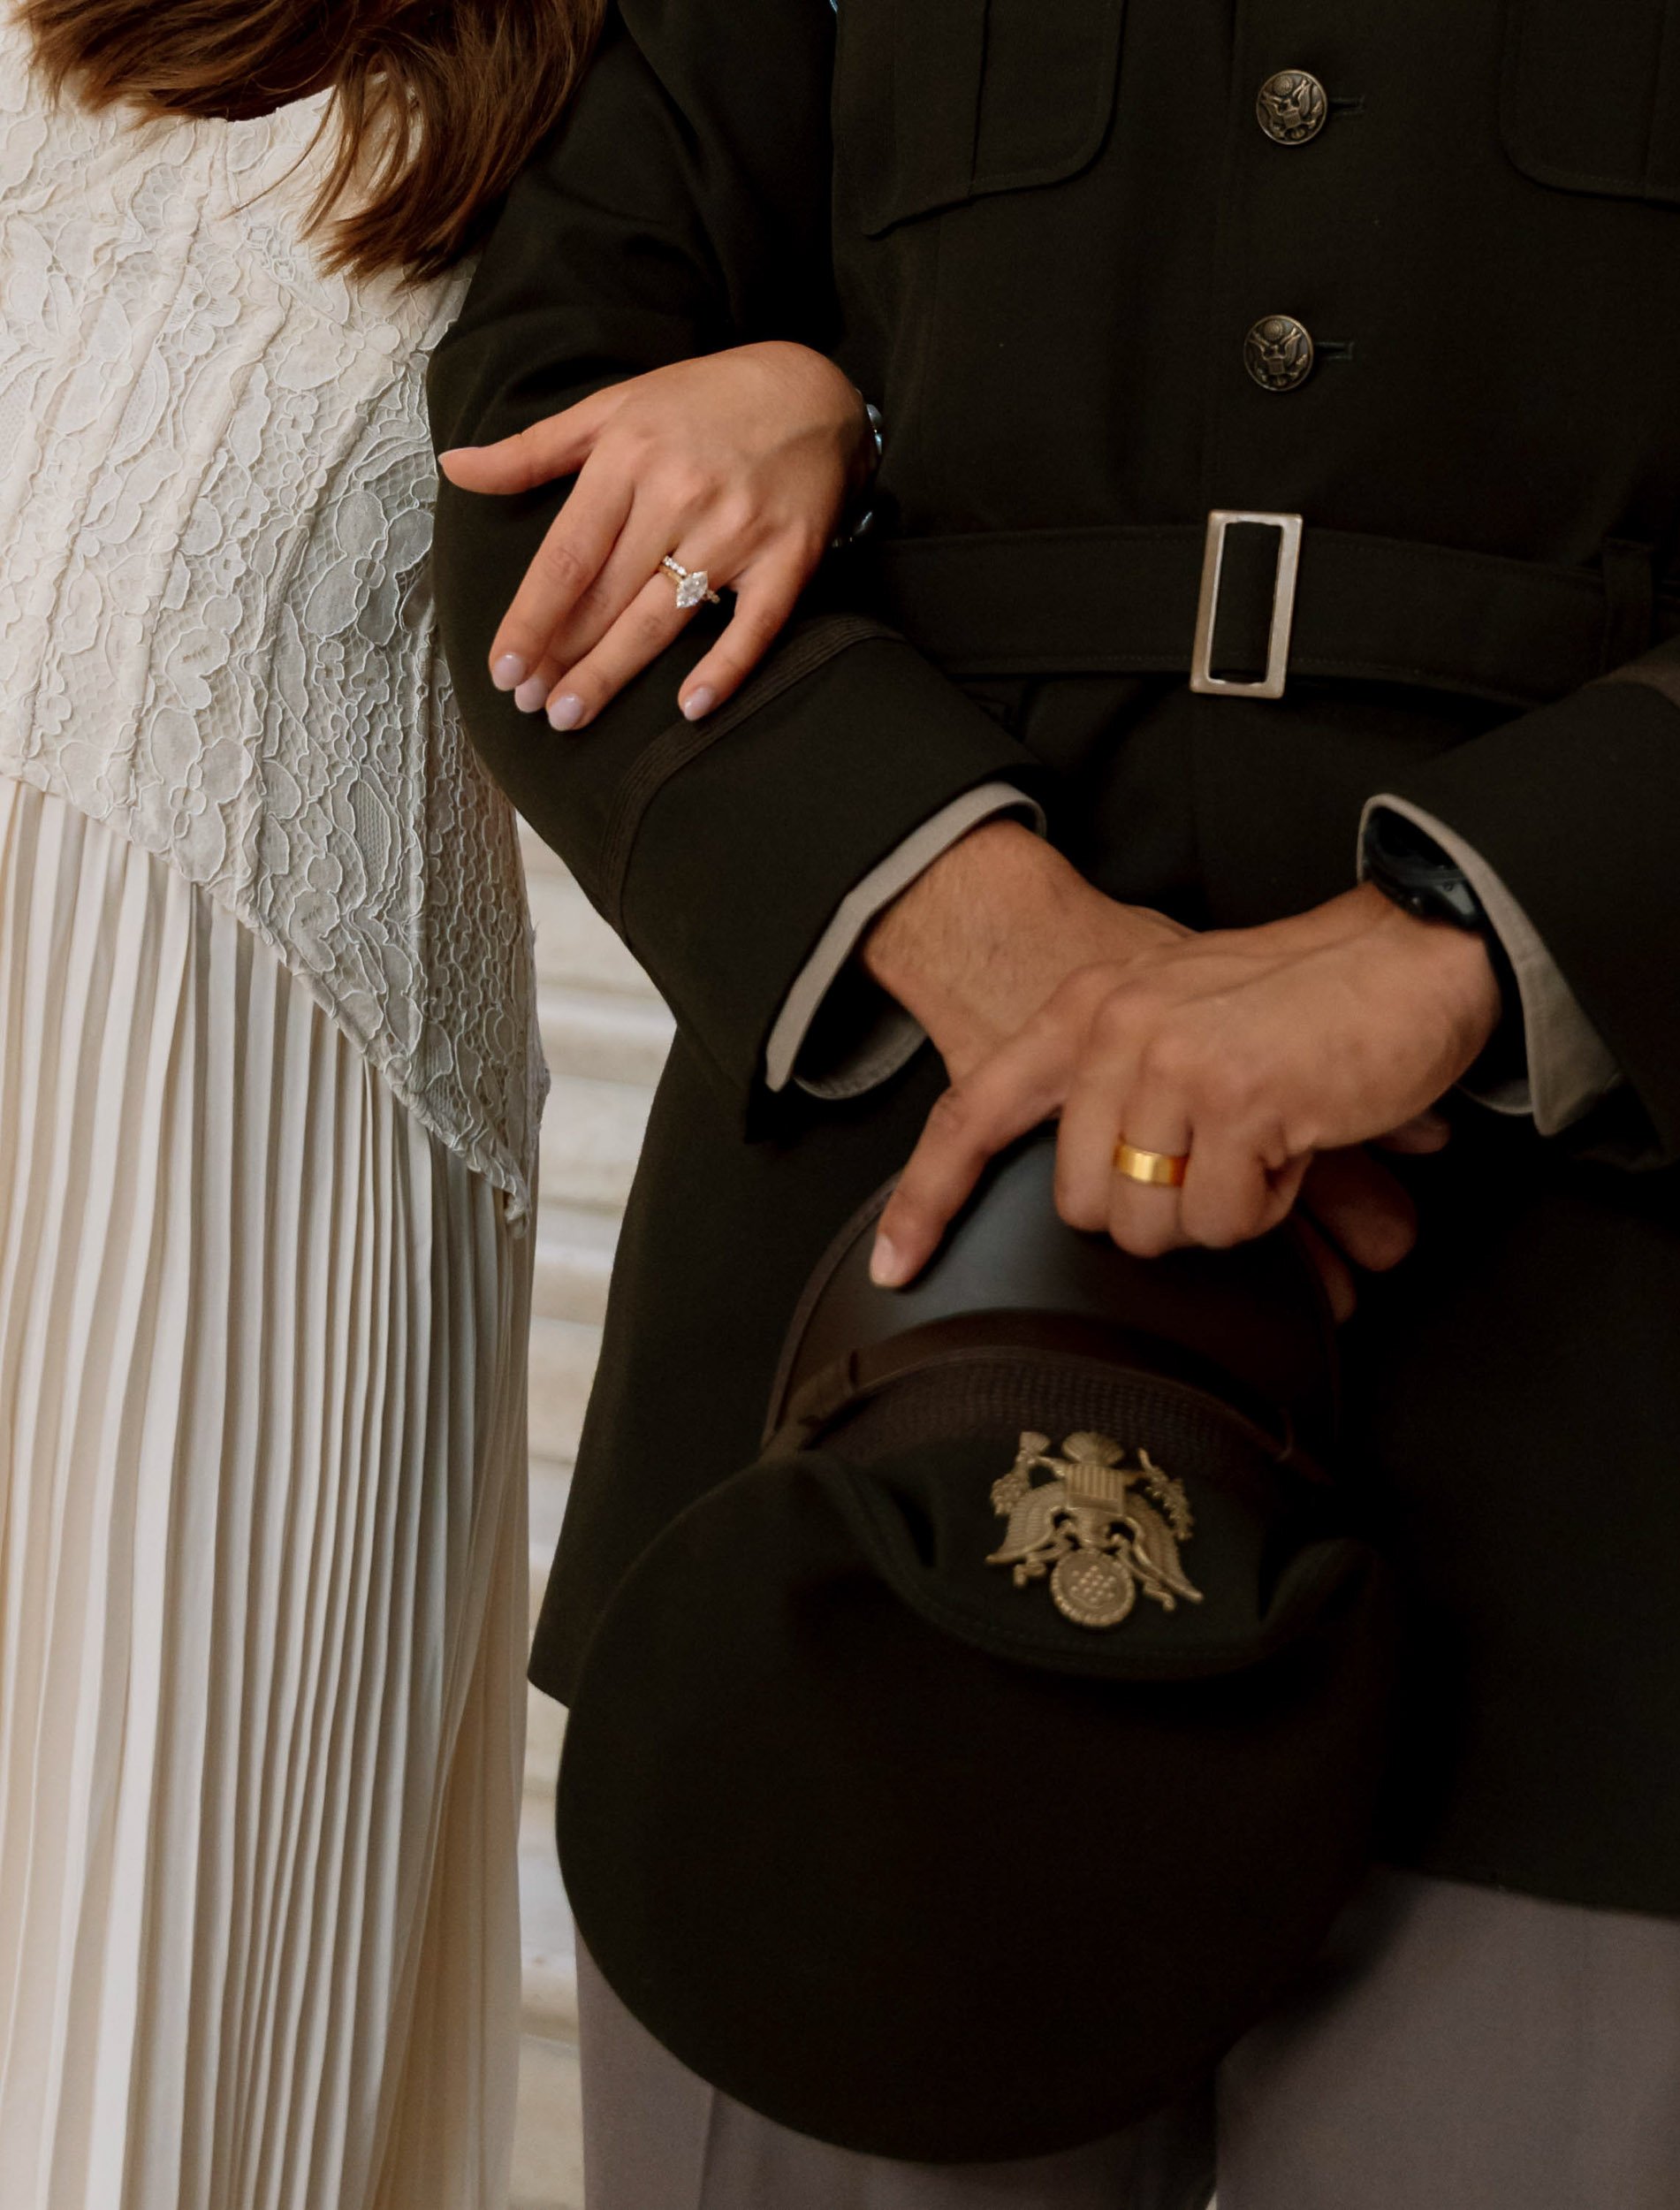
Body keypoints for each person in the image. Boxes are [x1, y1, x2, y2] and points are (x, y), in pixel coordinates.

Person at [430, 3, 1680, 2206]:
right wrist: (1007, 946)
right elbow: (548, 428)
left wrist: (1471, 941)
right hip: (864, 1401)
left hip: (1645, 1438)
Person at [0, 5, 868, 2205]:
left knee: (143, 2013)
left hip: (244, 1134)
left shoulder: (683, 67)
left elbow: (1015, 370)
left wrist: (847, 408)